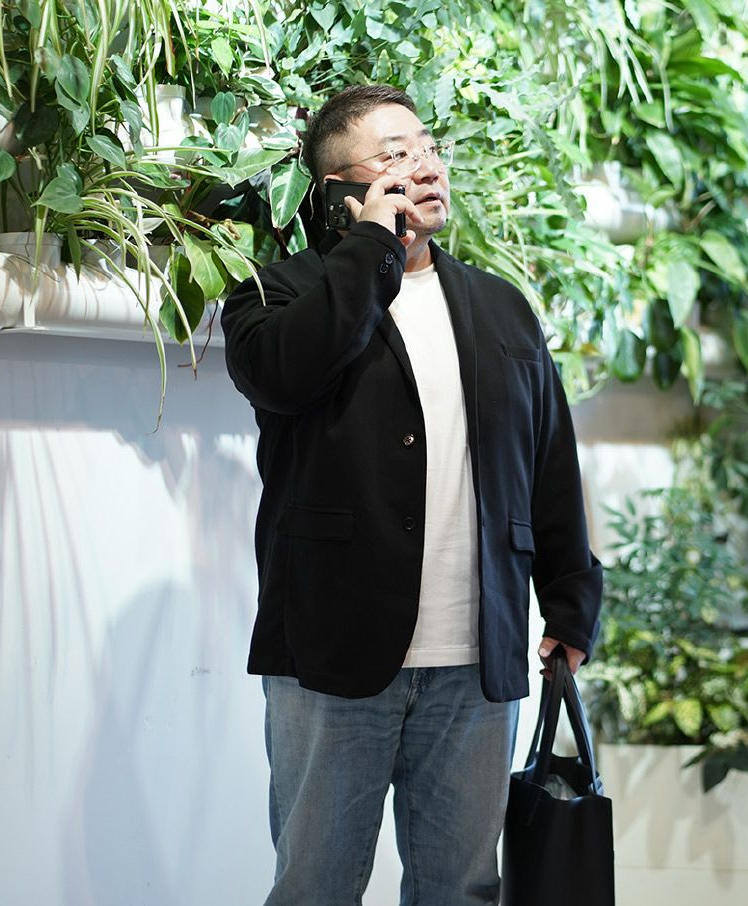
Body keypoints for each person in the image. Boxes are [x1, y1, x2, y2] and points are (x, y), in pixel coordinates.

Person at [221, 84, 603, 906]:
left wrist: (571, 602)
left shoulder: (500, 307)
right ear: (338, 190)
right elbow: (284, 375)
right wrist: (370, 245)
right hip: (331, 655)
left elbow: (547, 461)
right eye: (395, 155)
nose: (424, 166)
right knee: (315, 889)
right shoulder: (276, 294)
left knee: (461, 891)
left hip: (474, 661)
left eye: (426, 147)